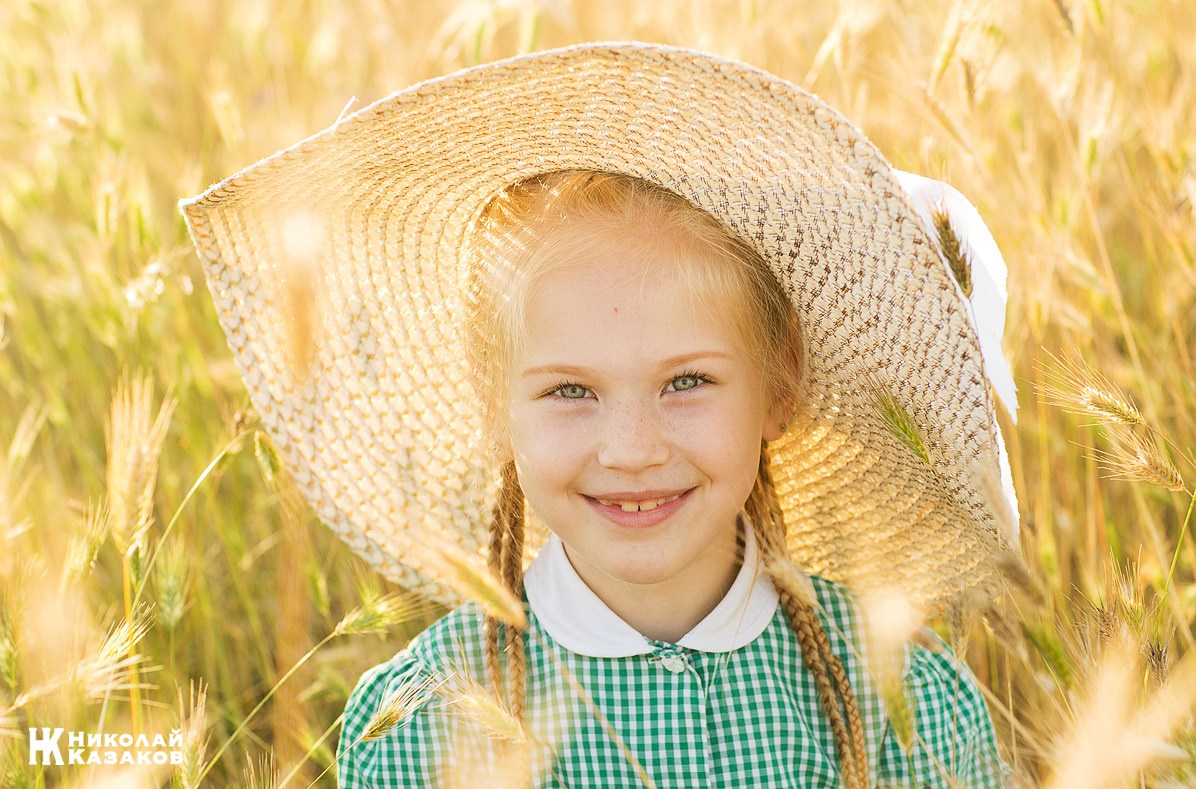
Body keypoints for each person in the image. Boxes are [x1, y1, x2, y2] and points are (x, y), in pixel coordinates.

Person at [181, 42, 1021, 788]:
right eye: (569, 391)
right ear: (493, 400)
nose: (631, 448)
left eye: (687, 381)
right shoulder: (429, 718)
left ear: (780, 381)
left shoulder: (901, 693)